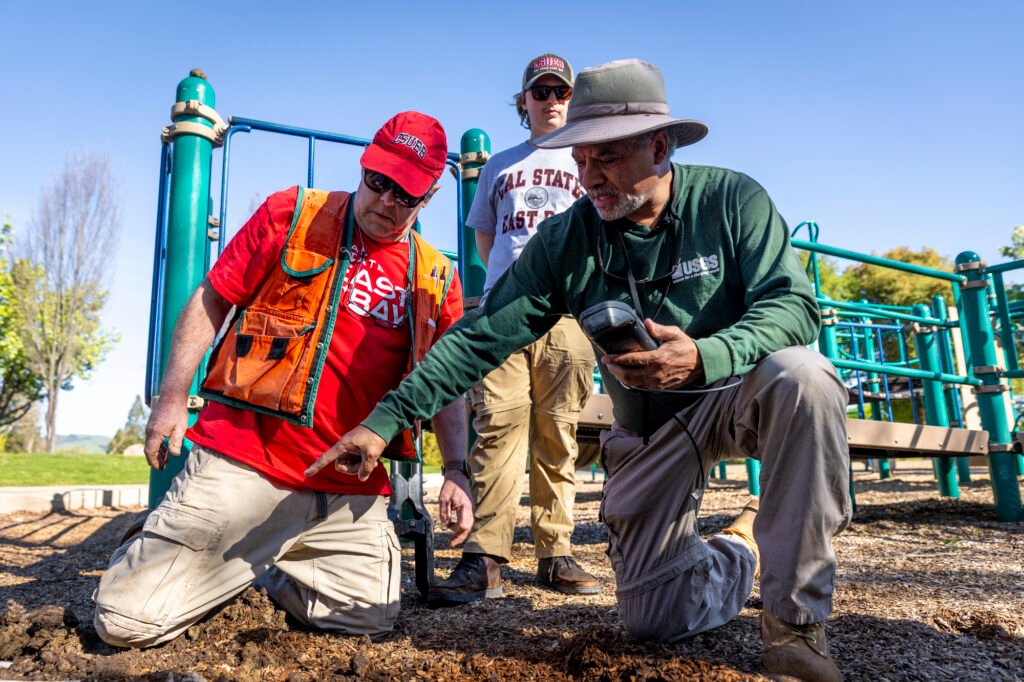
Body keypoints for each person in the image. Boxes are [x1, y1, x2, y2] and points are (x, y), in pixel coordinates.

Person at [309, 61, 852, 681]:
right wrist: (384, 422)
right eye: (580, 159)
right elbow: (481, 336)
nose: (588, 177)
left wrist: (706, 355)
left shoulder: (732, 199)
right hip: (650, 427)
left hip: (737, 390)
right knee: (655, 618)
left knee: (805, 377)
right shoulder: (569, 236)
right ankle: (741, 548)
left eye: (607, 158)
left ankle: (797, 625)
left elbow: (793, 306)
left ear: (659, 145)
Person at [93, 111, 473, 648]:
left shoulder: (435, 276)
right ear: (364, 165)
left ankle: (258, 566)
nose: (385, 200)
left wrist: (457, 469)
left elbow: (447, 383)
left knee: (369, 619)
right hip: (247, 464)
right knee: (126, 623)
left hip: (348, 488)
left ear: (428, 197)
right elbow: (212, 298)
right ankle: (169, 547)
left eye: (404, 194)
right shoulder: (291, 215)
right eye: (377, 181)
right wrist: (173, 395)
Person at [428, 53, 600, 606]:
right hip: (506, 311)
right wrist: (507, 285)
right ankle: (486, 557)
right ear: (523, 102)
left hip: (569, 312)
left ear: (571, 99)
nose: (551, 101)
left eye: (560, 92)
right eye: (540, 92)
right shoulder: (501, 165)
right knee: (498, 425)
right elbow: (486, 240)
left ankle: (555, 553)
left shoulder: (586, 160)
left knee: (559, 432)